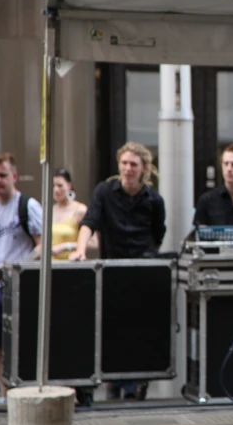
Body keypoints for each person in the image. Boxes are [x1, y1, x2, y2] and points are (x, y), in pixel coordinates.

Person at [69, 142, 166, 400]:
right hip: (113, 269)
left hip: (142, 271)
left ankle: (134, 385)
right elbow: (89, 223)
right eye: (124, 163)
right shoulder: (104, 191)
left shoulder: (154, 200)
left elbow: (158, 236)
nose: (127, 168)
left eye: (133, 164)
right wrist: (80, 250)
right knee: (112, 327)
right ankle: (114, 381)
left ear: (144, 168)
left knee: (139, 329)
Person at [0, 153, 43, 404]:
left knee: (22, 341)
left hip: (20, 286)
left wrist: (19, 266)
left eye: (3, 175)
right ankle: (5, 394)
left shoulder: (28, 206)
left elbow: (41, 246)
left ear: (14, 176)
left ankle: (25, 391)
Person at [50, 169, 97, 260]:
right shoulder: (49, 211)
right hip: (51, 266)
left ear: (69, 186)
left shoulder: (80, 210)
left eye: (60, 185)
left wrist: (66, 246)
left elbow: (93, 243)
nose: (56, 189)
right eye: (53, 186)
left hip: (71, 265)